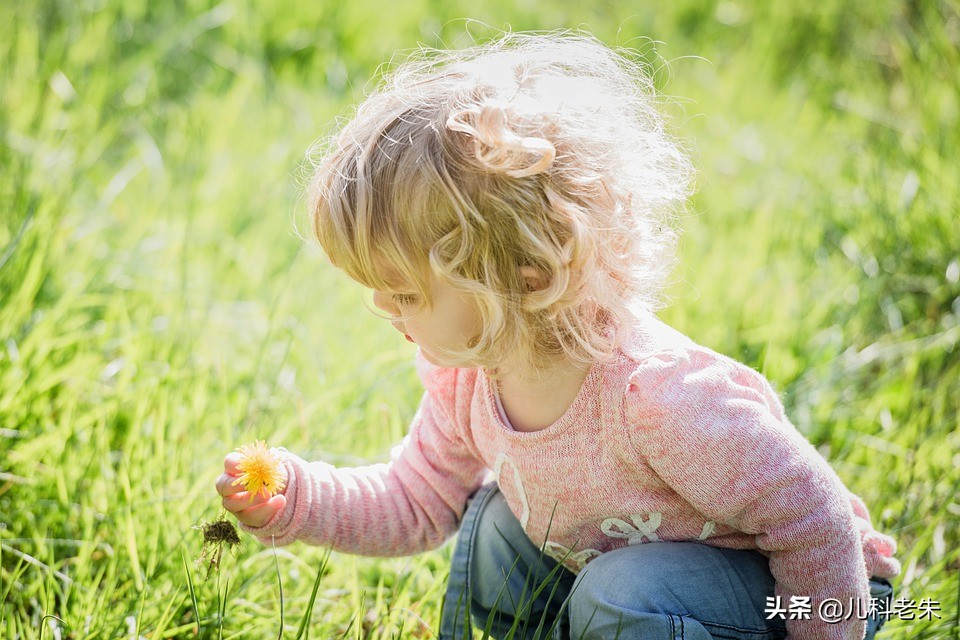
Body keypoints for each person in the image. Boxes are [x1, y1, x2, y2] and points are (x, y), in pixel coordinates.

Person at [215, 32, 900, 640]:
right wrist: (297, 498)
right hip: (648, 582)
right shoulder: (466, 380)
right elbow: (415, 499)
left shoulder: (658, 401)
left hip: (809, 595)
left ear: (528, 276)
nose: (380, 308)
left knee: (621, 593)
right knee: (494, 530)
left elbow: (814, 518)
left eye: (405, 292)